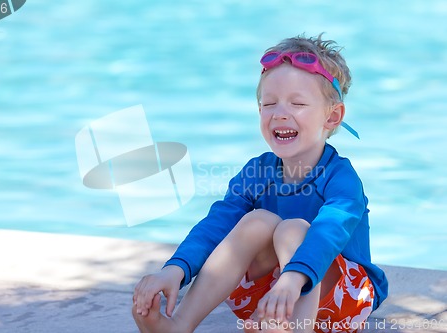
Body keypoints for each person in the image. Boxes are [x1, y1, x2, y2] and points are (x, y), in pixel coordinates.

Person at [132, 34, 388, 333]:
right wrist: (174, 269)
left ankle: (296, 328)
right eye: (269, 103)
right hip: (271, 299)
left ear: (332, 117)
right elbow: (216, 225)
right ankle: (179, 325)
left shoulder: (341, 178)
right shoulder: (257, 173)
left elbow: (329, 234)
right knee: (256, 222)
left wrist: (292, 278)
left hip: (340, 302)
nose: (280, 113)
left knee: (294, 229)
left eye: (298, 103)